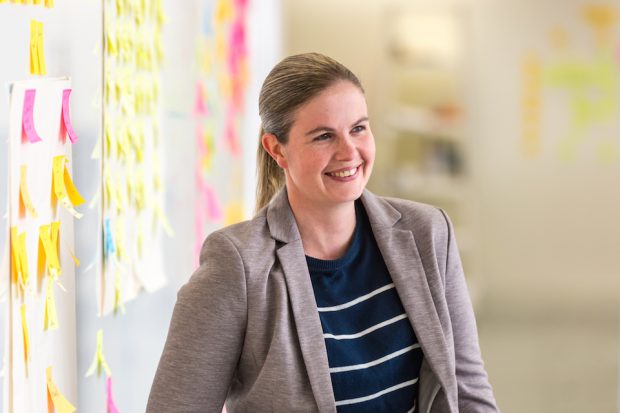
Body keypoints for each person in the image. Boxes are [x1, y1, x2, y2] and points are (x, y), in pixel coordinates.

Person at [147, 52, 498, 413]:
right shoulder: (237, 266)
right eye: (324, 136)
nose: (349, 152)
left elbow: (467, 390)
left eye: (358, 128)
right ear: (277, 149)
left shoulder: (428, 234)